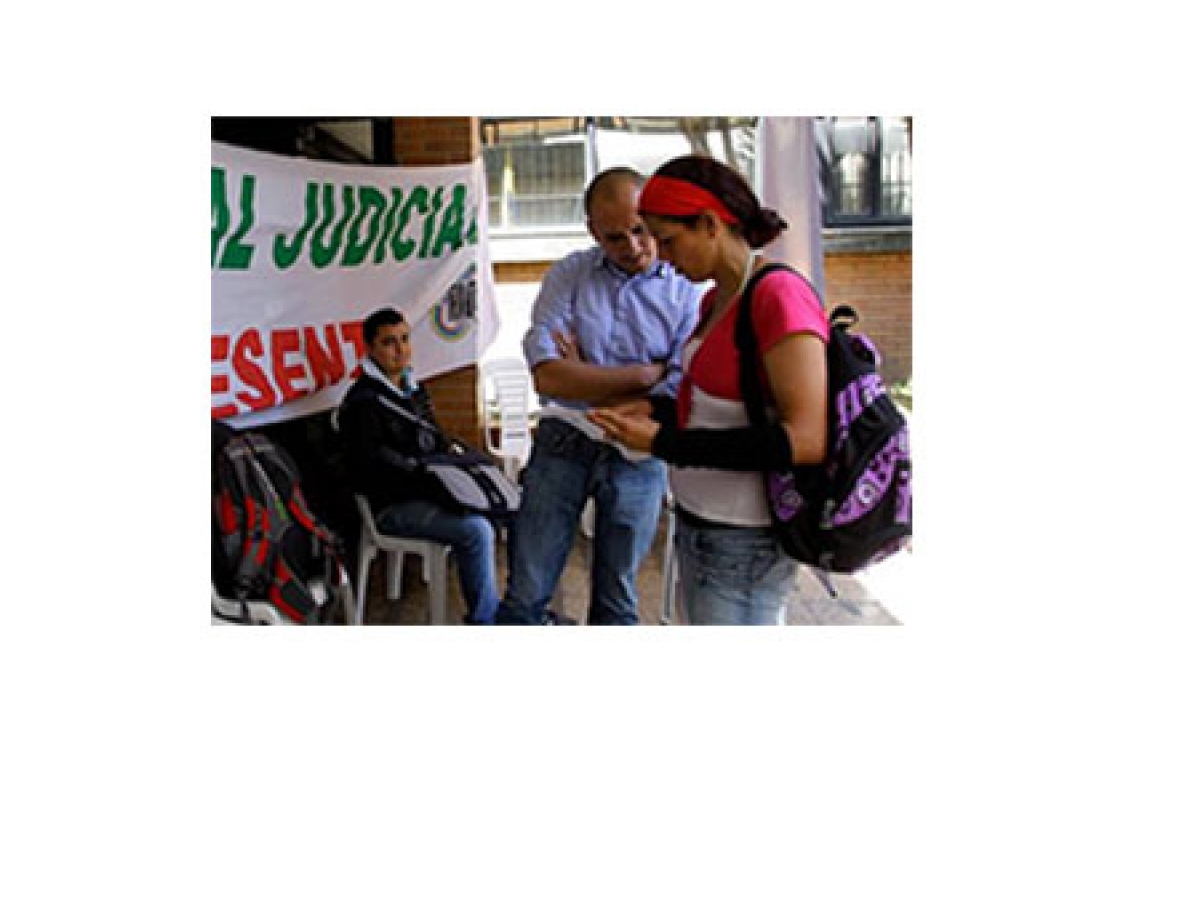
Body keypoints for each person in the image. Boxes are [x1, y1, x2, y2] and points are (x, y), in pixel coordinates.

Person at [589, 156, 830, 625]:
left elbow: (805, 440)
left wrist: (664, 443)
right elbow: (718, 407)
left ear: (709, 224)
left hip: (745, 540)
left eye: (668, 240)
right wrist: (655, 410)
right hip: (704, 526)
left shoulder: (778, 296)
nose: (662, 257)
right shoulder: (716, 299)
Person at [494, 167, 702, 625]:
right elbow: (548, 377)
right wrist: (645, 373)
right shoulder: (569, 274)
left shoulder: (688, 287)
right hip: (564, 437)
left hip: (640, 448)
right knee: (526, 590)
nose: (632, 246)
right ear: (593, 232)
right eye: (614, 237)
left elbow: (681, 385)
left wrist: (586, 373)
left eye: (640, 230)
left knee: (617, 599)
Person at [336, 307, 499, 625]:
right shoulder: (362, 404)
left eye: (405, 339)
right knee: (476, 530)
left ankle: (517, 609)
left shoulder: (413, 389)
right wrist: (431, 481)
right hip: (391, 506)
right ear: (370, 349)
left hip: (426, 493)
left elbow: (434, 442)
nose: (400, 350)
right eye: (389, 342)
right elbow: (371, 469)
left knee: (497, 506)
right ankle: (485, 622)